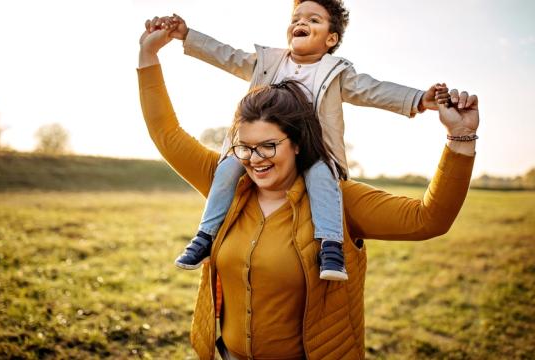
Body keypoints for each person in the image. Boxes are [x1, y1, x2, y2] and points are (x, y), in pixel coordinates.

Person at [138, 23, 478, 360]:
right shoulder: (226, 183)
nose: (254, 160)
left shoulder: (339, 200)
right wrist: (148, 54)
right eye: (245, 147)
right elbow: (165, 132)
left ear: (298, 143)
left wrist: (460, 139)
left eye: (268, 146)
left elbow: (428, 220)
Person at [145, 0, 451, 281]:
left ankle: (331, 248)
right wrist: (187, 35)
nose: (300, 22)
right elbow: (227, 56)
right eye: (296, 18)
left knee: (322, 180)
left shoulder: (336, 72)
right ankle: (205, 237)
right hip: (259, 145)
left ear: (330, 39)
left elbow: (374, 90)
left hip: (310, 149)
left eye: (313, 19)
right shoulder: (268, 61)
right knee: (226, 169)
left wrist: (419, 99)